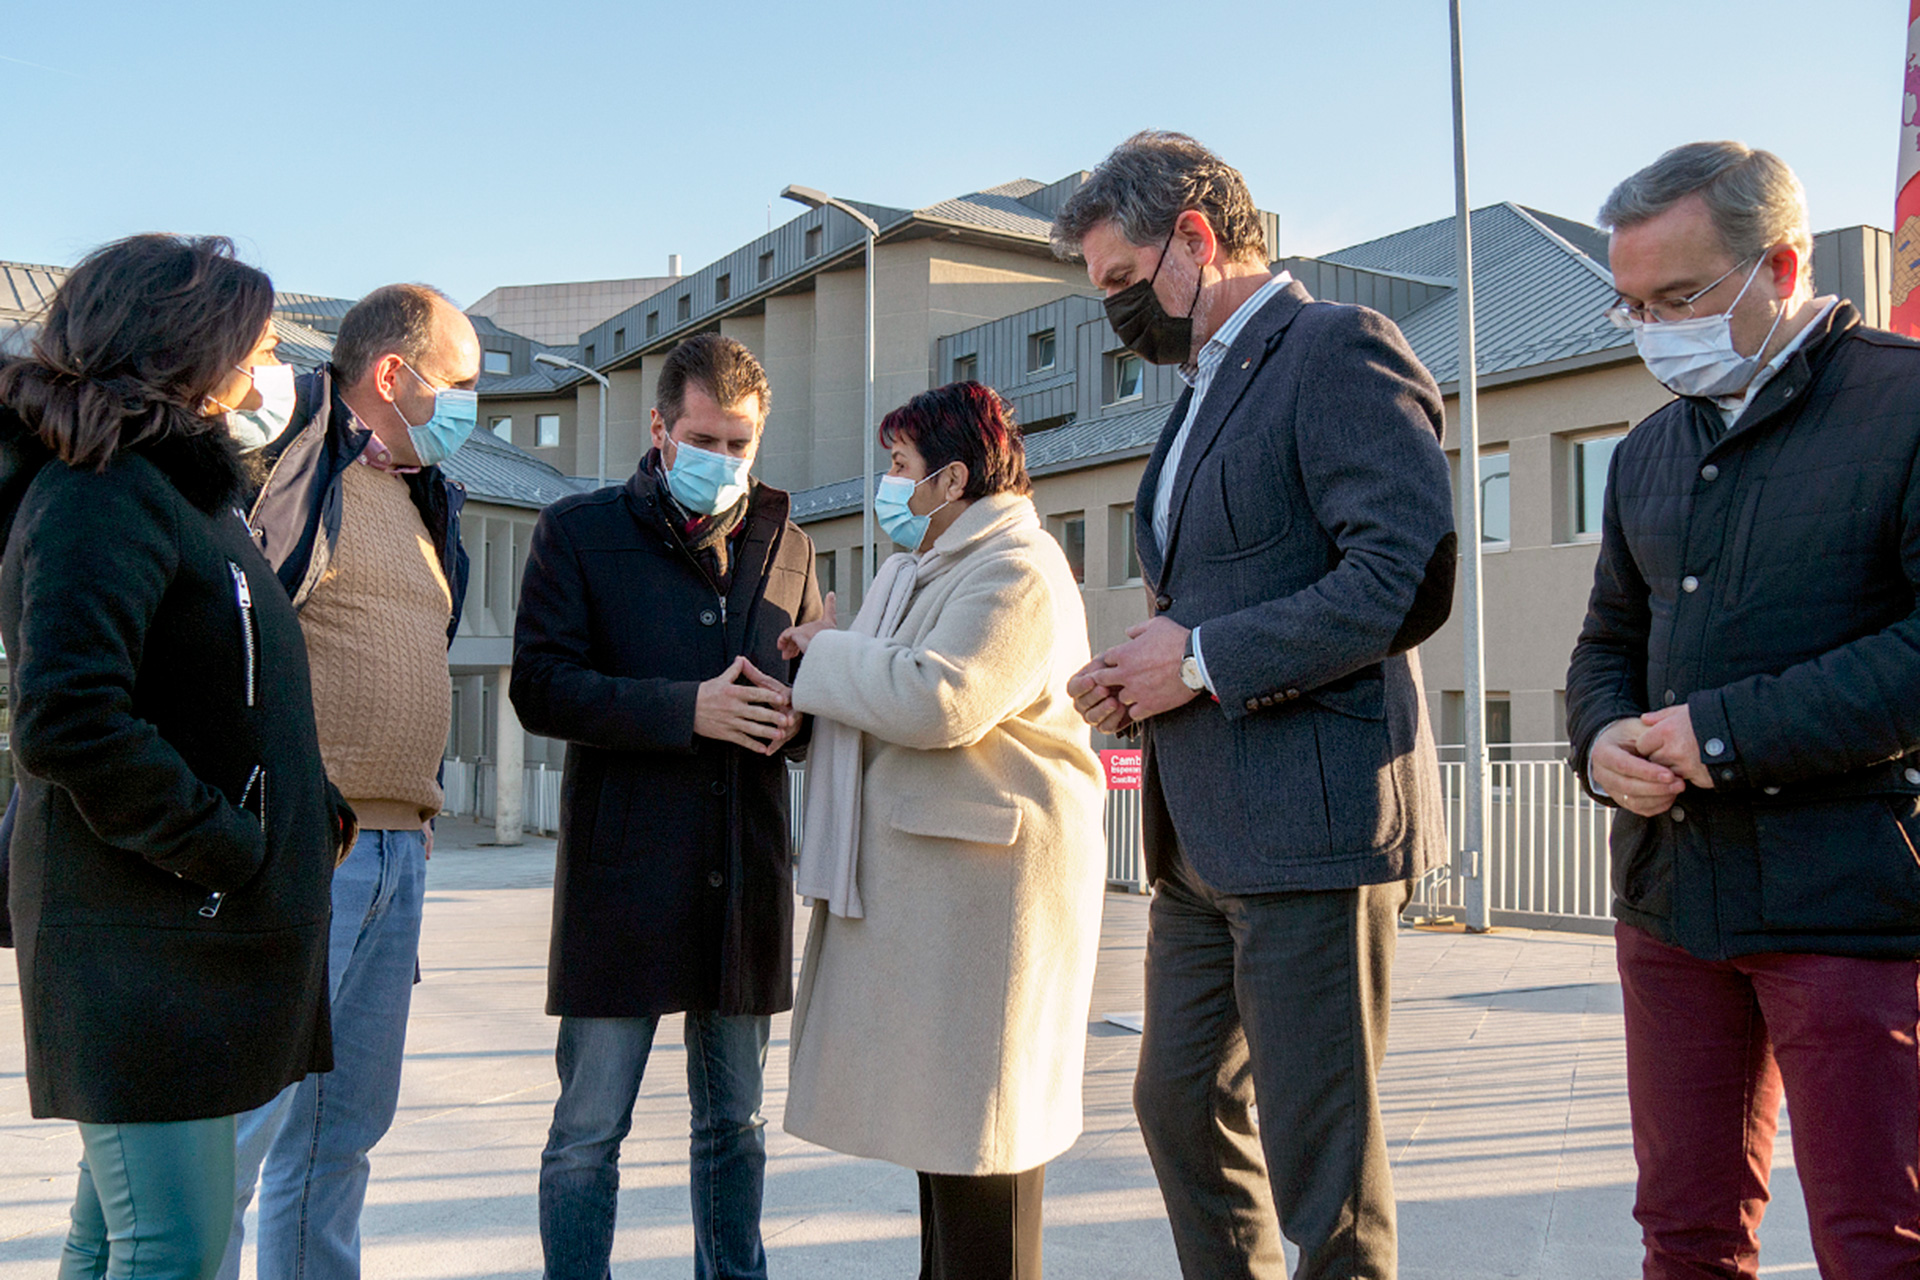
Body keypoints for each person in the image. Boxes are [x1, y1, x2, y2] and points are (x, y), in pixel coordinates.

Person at [1051, 132, 1456, 1280]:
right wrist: (1143, 676)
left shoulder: (1335, 347)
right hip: (1202, 835)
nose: (1116, 312)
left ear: (1195, 236)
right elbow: (1222, 592)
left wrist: (1200, 660)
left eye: (1122, 280)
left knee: (1324, 1169)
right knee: (1179, 1102)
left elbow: (1403, 575)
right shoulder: (1199, 393)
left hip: (1310, 826)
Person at [1567, 141, 1920, 1279]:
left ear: (1781, 265)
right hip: (1673, 900)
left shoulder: (1903, 401)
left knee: (1878, 1239)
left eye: (1679, 298)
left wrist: (1723, 734)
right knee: (1684, 1233)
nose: (1654, 331)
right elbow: (1607, 642)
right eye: (1632, 307)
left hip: (1852, 899)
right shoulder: (1648, 448)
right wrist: (1598, 738)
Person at [0, 234, 348, 1279]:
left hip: (185, 934)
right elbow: (68, 716)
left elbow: (219, 694)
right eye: (258, 347)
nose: (271, 371)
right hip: (140, 938)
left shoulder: (188, 496)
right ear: (185, 349)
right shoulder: (99, 493)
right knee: (175, 1247)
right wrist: (223, 842)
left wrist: (307, 806)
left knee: (117, 1238)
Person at [775, 381, 1106, 1280]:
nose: (890, 484)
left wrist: (829, 654)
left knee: (987, 1151)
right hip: (951, 900)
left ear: (952, 478)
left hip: (988, 902)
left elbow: (942, 697)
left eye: (901, 466)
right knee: (952, 1147)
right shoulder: (940, 565)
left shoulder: (1016, 567)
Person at [509, 333, 822, 1280]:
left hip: (743, 874)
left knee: (736, 1124)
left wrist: (799, 715)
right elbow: (540, 687)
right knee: (588, 1129)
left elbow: (806, 700)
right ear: (659, 428)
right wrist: (687, 709)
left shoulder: (789, 542)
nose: (723, 461)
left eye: (740, 444)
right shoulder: (578, 530)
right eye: (704, 440)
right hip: (625, 882)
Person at [219, 283, 478, 1280]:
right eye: (459, 384)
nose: (470, 410)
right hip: (304, 851)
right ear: (392, 374)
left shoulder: (425, 496)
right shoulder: (291, 455)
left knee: (343, 1135)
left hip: (399, 851)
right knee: (240, 1132)